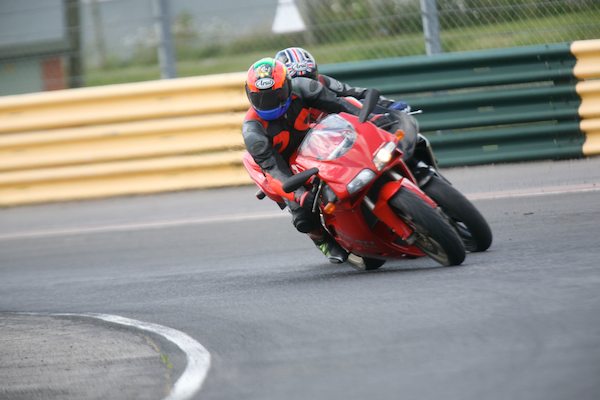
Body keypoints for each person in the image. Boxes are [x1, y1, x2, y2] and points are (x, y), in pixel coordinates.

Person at [243, 57, 392, 264]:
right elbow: (274, 171)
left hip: (317, 141)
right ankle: (322, 240)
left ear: (287, 86)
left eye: (276, 95)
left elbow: (342, 106)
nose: (270, 103)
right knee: (303, 217)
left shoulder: (305, 88)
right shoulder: (254, 131)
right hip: (285, 166)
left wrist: (373, 121)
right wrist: (300, 196)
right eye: (261, 99)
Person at [274, 46, 419, 163]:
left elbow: (356, 93)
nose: (305, 86)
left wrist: (388, 105)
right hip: (319, 153)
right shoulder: (280, 107)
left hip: (349, 133)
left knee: (351, 101)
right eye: (297, 81)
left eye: (309, 78)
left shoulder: (323, 82)